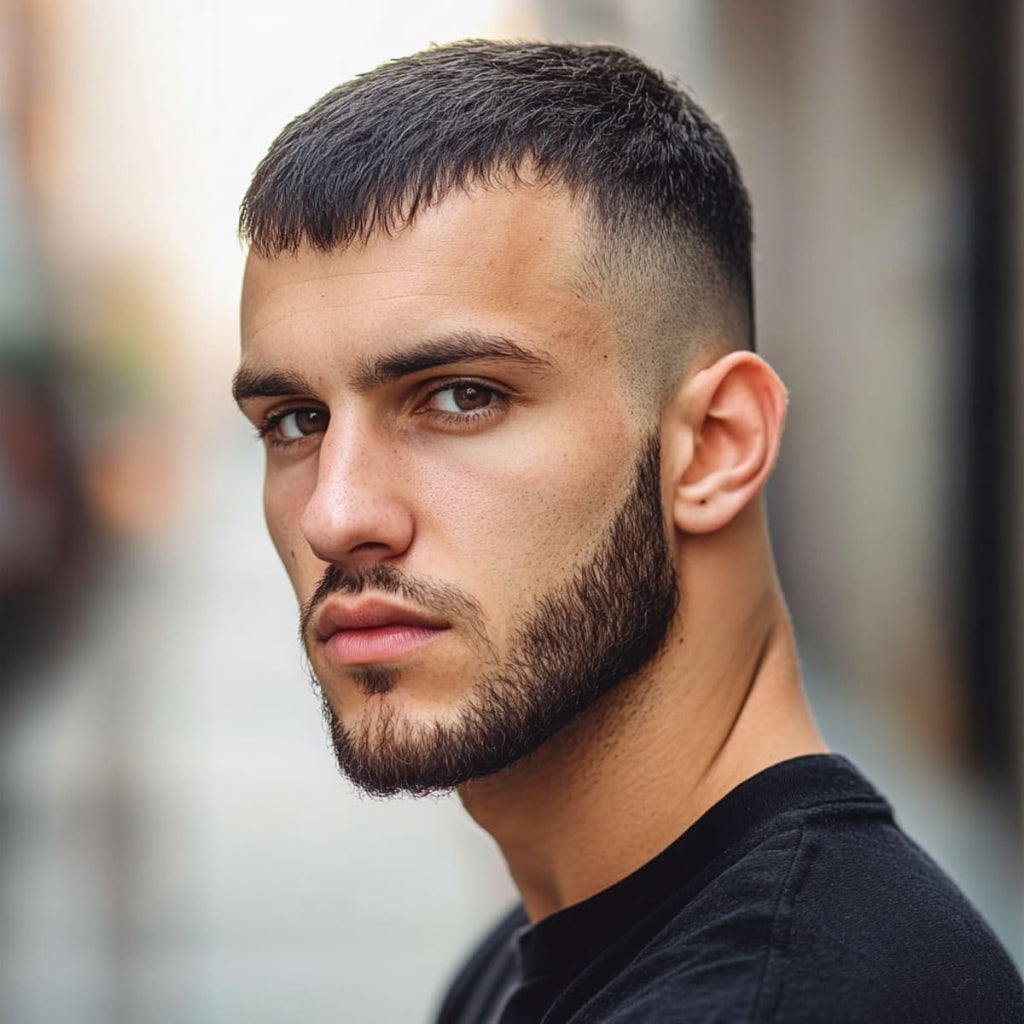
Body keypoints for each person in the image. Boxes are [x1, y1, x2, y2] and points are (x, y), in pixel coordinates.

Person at [232, 40, 1022, 1024]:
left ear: (715, 446)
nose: (336, 513)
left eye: (461, 396)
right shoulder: (538, 948)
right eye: (295, 422)